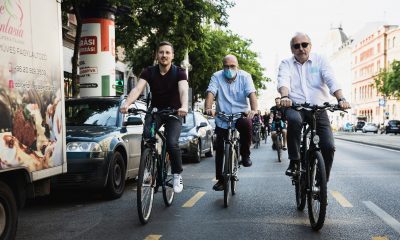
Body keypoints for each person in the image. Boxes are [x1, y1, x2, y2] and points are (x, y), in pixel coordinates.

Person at [277, 32, 350, 182]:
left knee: (328, 147)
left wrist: (341, 98)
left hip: (319, 109)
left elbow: (330, 79)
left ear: (310, 46)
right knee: (294, 121)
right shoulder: (286, 64)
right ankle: (295, 161)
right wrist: (285, 97)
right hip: (295, 107)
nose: (301, 48)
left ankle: (321, 182)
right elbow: (283, 81)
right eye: (296, 46)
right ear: (292, 49)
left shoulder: (320, 60)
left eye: (304, 45)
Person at [120, 41, 189, 193]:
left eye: (167, 52)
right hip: (155, 111)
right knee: (146, 137)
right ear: (157, 55)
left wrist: (184, 106)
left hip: (174, 113)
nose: (164, 55)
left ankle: (177, 173)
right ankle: (148, 169)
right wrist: (127, 103)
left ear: (172, 56)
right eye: (161, 52)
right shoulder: (149, 71)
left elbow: (183, 90)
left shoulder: (179, 72)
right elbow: (138, 89)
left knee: (171, 143)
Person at [204, 54, 258, 191]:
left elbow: (252, 94)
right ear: (222, 67)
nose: (229, 69)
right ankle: (220, 180)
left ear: (237, 66)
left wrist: (254, 110)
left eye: (232, 66)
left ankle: (245, 155)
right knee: (220, 147)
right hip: (222, 116)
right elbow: (210, 92)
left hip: (240, 115)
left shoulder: (245, 76)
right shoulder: (216, 76)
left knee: (247, 125)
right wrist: (208, 108)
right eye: (226, 66)